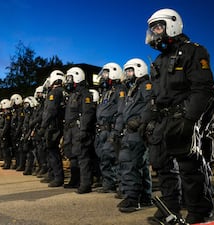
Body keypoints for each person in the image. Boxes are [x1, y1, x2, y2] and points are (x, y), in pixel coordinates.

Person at [144, 8, 214, 223]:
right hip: (163, 120)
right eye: (153, 29)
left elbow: (203, 89)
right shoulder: (158, 61)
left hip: (183, 116)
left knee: (189, 167)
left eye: (158, 27)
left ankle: (199, 211)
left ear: (172, 25)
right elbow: (155, 96)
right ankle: (170, 210)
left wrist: (190, 119)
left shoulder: (193, 51)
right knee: (162, 166)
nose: (155, 32)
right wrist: (145, 121)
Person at [114, 58, 153, 212]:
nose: (127, 74)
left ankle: (132, 199)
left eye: (130, 70)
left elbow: (151, 104)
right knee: (140, 165)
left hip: (137, 131)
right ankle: (145, 197)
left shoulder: (145, 86)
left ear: (139, 70)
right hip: (131, 131)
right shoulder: (134, 88)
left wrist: (139, 121)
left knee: (129, 163)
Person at [63, 67, 96, 194]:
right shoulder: (73, 94)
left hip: (79, 128)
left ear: (77, 77)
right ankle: (75, 180)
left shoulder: (85, 94)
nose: (68, 81)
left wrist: (83, 130)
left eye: (70, 78)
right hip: (71, 130)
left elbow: (87, 113)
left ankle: (86, 183)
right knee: (72, 156)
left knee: (83, 156)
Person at [94, 62, 126, 194]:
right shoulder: (106, 91)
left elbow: (121, 111)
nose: (104, 76)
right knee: (103, 156)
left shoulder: (120, 90)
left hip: (112, 128)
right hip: (102, 130)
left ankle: (121, 185)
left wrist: (117, 130)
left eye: (106, 73)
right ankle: (109, 183)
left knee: (114, 157)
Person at [38, 70, 66, 187]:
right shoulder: (64, 92)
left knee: (52, 152)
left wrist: (43, 127)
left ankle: (57, 177)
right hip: (60, 124)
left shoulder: (54, 93)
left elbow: (50, 112)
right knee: (53, 152)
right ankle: (54, 175)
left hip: (53, 126)